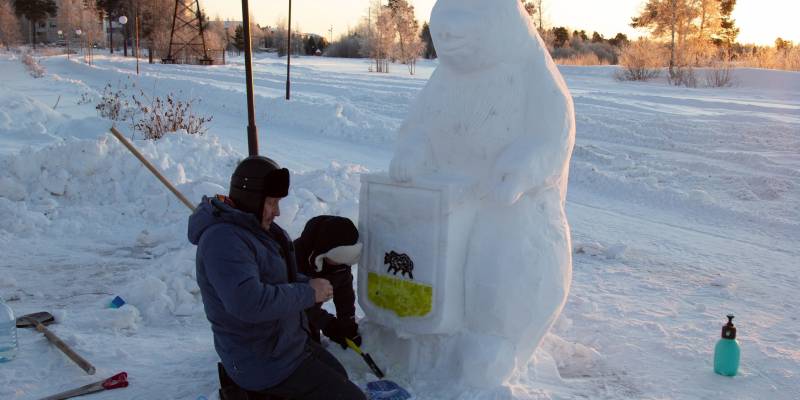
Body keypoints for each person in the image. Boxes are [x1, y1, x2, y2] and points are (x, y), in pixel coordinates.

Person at [188, 156, 366, 400]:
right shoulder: (224, 241)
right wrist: (308, 293)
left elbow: (280, 280)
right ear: (251, 198)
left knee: (340, 375)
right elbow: (248, 303)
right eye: (271, 202)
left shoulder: (256, 230)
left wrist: (307, 285)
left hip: (285, 343)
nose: (278, 211)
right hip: (261, 358)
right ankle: (250, 391)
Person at [294, 216, 363, 349]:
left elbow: (345, 295)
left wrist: (347, 325)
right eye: (337, 258)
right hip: (287, 319)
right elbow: (299, 305)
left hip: (311, 313)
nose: (340, 263)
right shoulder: (296, 258)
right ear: (324, 251)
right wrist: (328, 325)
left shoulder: (340, 263)